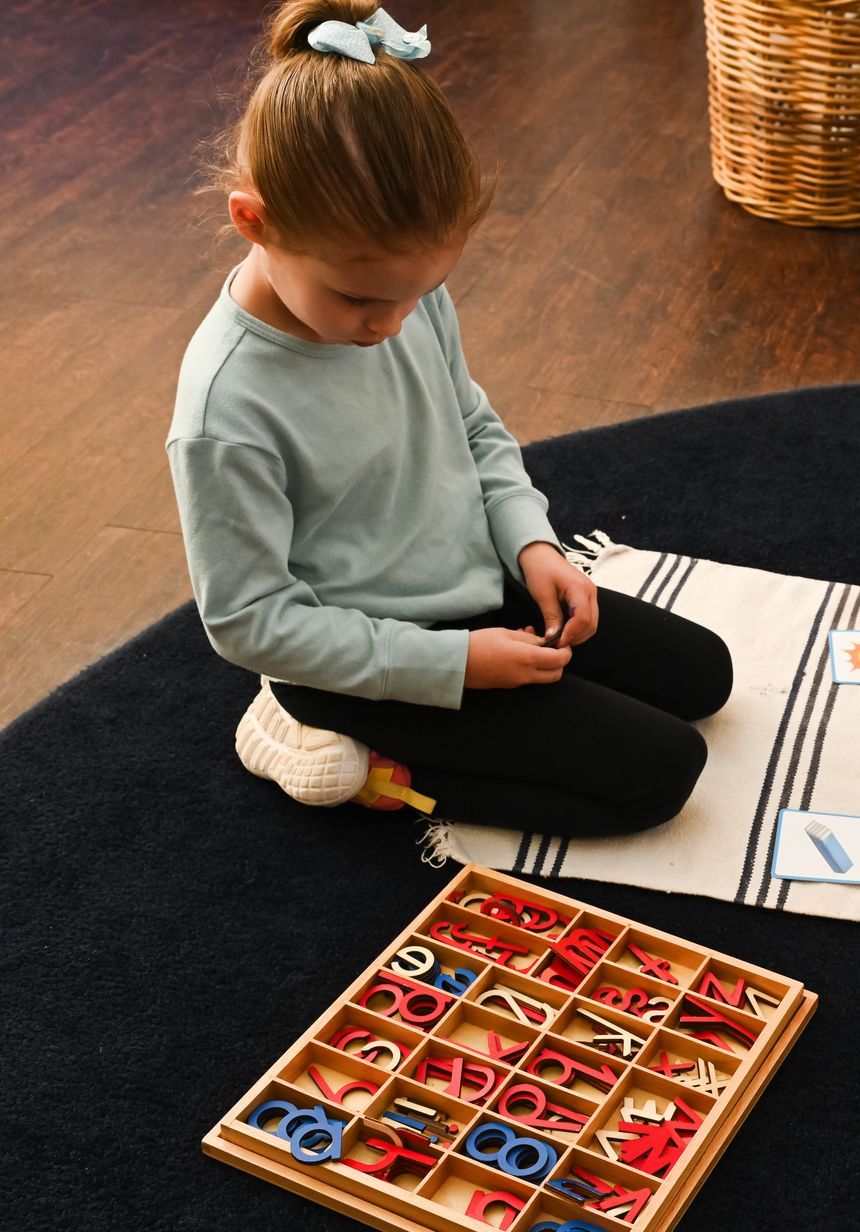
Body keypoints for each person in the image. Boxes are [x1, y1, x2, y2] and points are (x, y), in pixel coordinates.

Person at [168, 2, 729, 837]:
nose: (390, 325)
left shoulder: (400, 296)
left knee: (703, 677)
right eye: (360, 298)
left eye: (414, 294)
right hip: (361, 660)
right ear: (253, 220)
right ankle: (335, 755)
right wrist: (456, 666)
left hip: (469, 584)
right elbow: (249, 621)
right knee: (660, 778)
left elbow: (471, 424)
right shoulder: (227, 411)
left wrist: (531, 544)